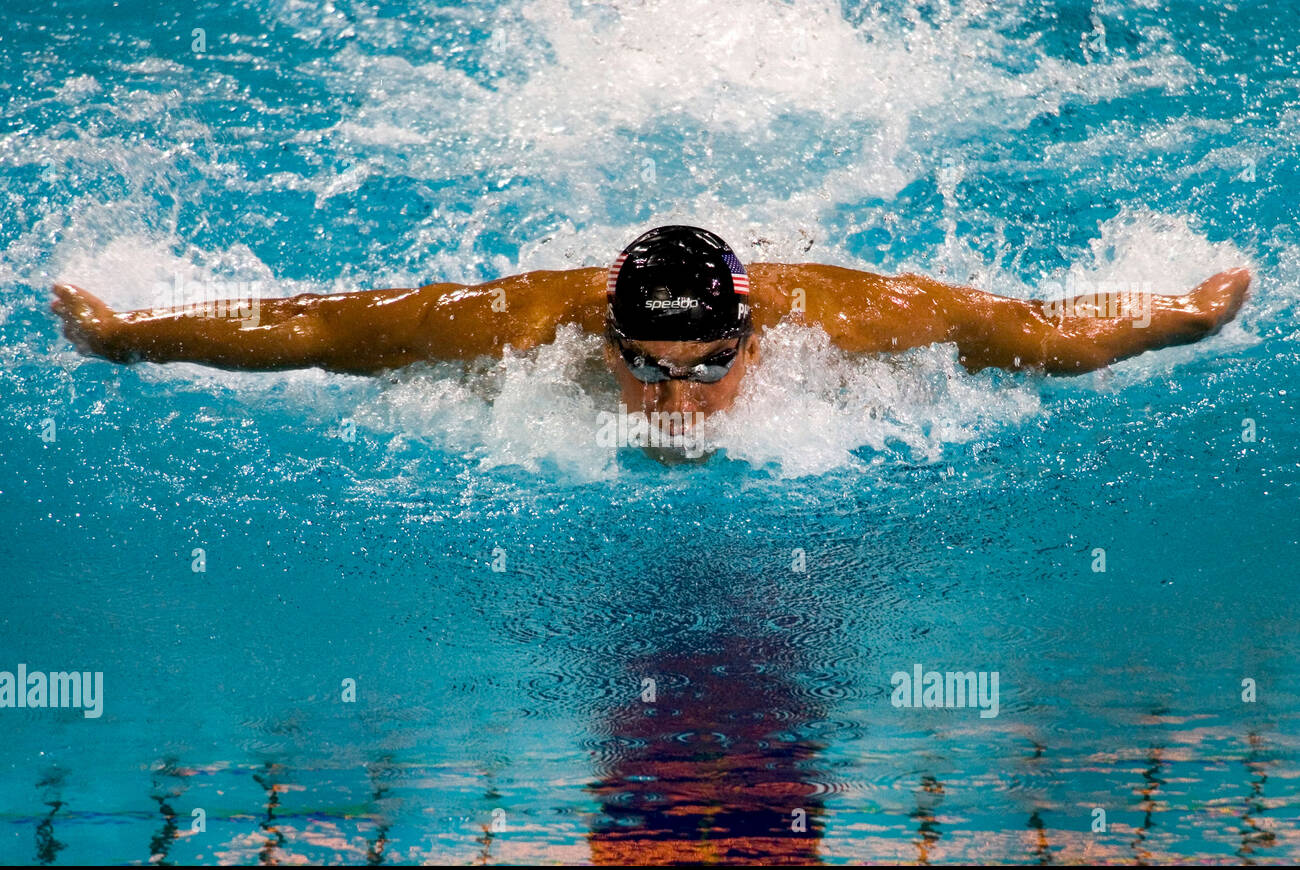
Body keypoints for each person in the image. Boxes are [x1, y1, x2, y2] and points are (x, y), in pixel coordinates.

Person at [51, 224, 1251, 437]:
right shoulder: (516, 325)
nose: (676, 403)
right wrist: (127, 335)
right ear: (605, 337)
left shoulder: (852, 315)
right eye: (645, 369)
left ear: (751, 332)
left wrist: (1187, 315)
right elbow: (312, 327)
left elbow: (1046, 332)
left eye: (708, 368)